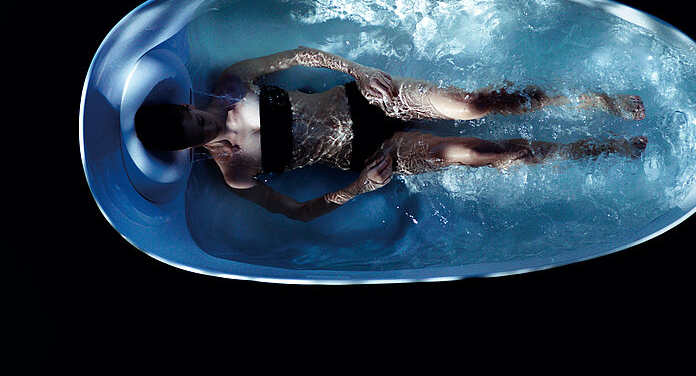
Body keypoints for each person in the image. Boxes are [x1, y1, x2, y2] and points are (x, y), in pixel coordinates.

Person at [135, 46, 646, 222]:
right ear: (187, 149)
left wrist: (355, 70)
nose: (202, 125)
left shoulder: (232, 82)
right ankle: (592, 148)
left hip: (372, 97)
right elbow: (297, 213)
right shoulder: (236, 171)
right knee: (479, 150)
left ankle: (590, 100)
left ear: (186, 105)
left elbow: (299, 56)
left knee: (475, 103)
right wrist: (360, 188)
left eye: (192, 117)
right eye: (192, 134)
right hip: (375, 153)